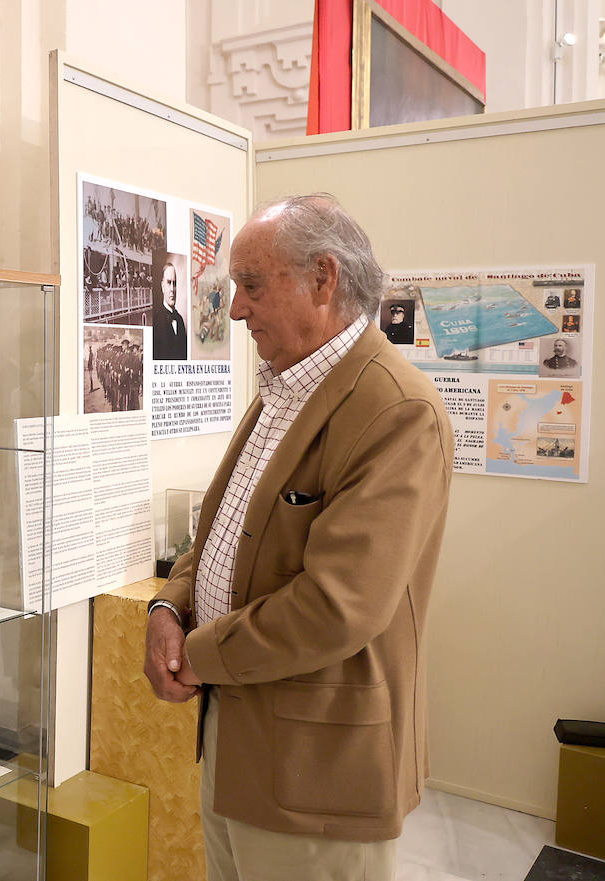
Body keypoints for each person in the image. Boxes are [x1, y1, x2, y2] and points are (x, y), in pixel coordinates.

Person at [143, 194, 452, 881]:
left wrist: (196, 654)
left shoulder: (397, 410)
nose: (237, 310)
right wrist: (169, 603)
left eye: (252, 286)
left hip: (319, 775)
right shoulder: (284, 388)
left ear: (324, 278)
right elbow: (224, 532)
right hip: (238, 738)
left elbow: (337, 604)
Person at [153, 261, 188, 360]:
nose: (172, 289)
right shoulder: (155, 320)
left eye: (175, 283)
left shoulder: (180, 320)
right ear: (162, 286)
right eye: (169, 283)